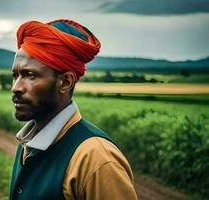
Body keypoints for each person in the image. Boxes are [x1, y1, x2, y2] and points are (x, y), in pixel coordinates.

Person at [9, 19, 138, 200]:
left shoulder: (96, 158)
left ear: (66, 82)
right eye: (15, 75)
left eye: (30, 75)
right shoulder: (28, 143)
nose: (16, 87)